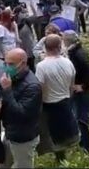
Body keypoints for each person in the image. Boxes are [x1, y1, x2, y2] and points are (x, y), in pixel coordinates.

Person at [35, 34, 79, 164]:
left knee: (51, 134)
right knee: (64, 132)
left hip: (49, 103)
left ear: (45, 47)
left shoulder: (42, 66)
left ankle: (60, 159)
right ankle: (61, 158)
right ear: (59, 47)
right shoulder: (68, 63)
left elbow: (40, 87)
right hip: (65, 100)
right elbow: (72, 85)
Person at [0, 48, 42, 168]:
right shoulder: (14, 78)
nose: (7, 67)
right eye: (5, 63)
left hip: (23, 137)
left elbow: (20, 114)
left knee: (22, 165)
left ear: (22, 63)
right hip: (10, 131)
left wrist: (7, 90)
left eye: (11, 64)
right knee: (2, 163)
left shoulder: (32, 86)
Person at [63, 30, 89, 154]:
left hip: (81, 92)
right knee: (77, 118)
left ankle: (87, 148)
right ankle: (82, 143)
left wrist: (83, 86)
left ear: (67, 40)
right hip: (77, 90)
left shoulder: (78, 54)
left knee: (82, 119)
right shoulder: (74, 51)